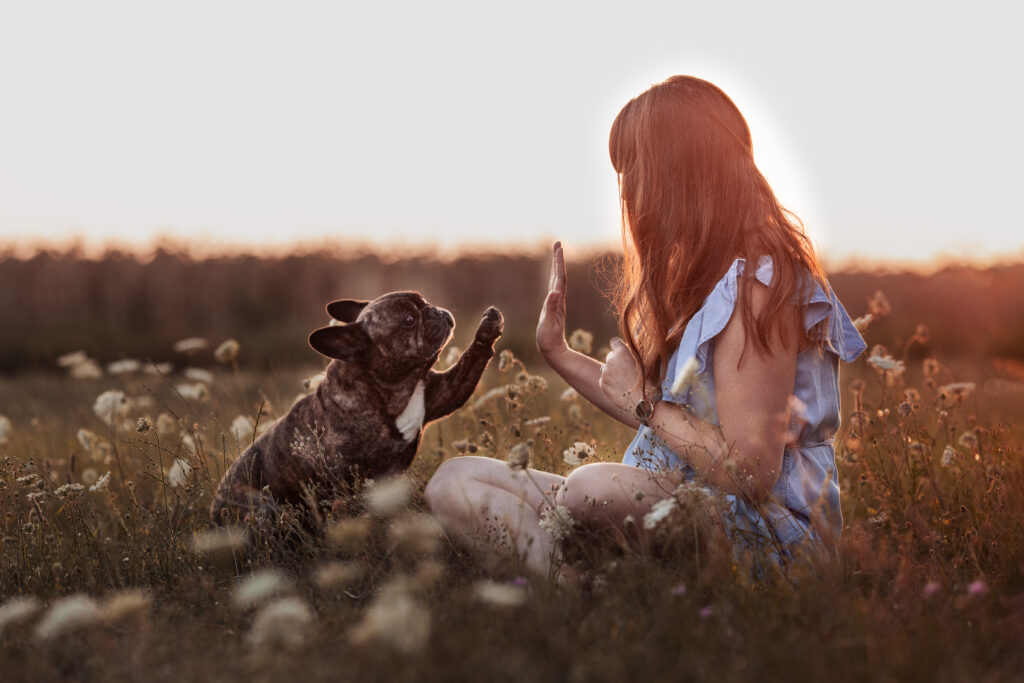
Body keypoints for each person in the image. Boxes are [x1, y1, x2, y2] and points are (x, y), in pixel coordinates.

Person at [424, 75, 866, 577]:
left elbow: (750, 472)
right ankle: (569, 597)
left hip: (764, 533)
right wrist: (559, 353)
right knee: (453, 481)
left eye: (635, 167)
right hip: (669, 495)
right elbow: (672, 426)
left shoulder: (759, 285)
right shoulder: (712, 279)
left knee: (588, 490)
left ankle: (579, 587)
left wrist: (645, 399)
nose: (628, 189)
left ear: (681, 171)